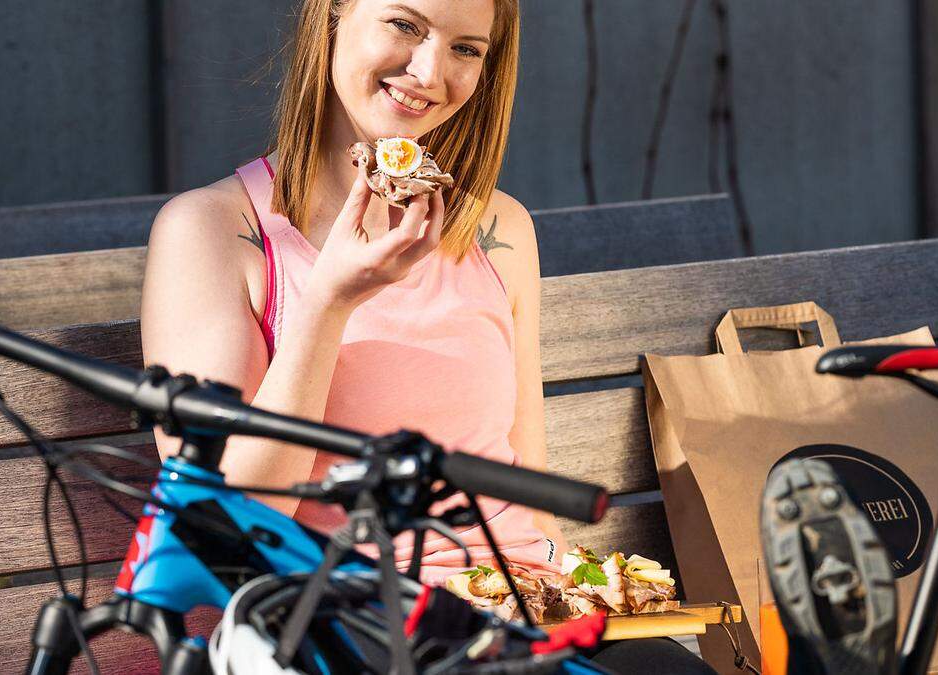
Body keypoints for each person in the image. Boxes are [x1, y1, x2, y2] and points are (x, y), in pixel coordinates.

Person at [140, 1, 716, 672]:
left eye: (466, 49)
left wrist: (581, 590)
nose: (429, 71)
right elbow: (228, 517)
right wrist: (328, 300)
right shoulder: (213, 231)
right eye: (406, 26)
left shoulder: (497, 229)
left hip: (522, 611)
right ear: (330, 18)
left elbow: (525, 481)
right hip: (354, 621)